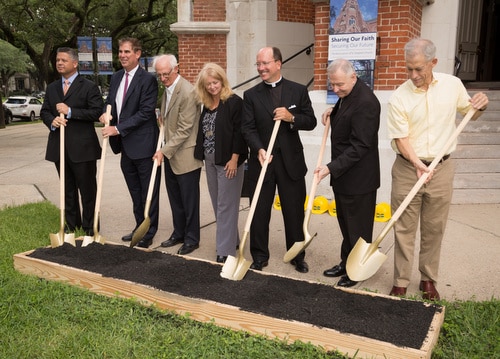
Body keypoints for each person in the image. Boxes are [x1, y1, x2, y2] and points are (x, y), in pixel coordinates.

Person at [387, 38, 489, 300]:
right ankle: (400, 280)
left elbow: (470, 111)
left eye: (419, 69)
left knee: (434, 227)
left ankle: (428, 279)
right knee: (403, 227)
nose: (413, 75)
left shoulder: (452, 85)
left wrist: (480, 104)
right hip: (409, 168)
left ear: (433, 62)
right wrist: (418, 164)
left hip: (441, 168)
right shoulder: (399, 96)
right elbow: (401, 138)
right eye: (408, 69)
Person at [241, 46, 317, 273]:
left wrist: (291, 117)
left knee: (294, 211)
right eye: (258, 64)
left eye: (265, 63)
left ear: (278, 63)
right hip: (262, 162)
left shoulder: (298, 91)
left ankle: (297, 255)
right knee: (259, 210)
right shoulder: (251, 95)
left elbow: (311, 121)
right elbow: (247, 128)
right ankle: (259, 255)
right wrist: (258, 149)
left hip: (291, 163)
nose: (261, 68)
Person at [316, 59, 381, 287]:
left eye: (339, 84)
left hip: (360, 179)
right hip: (345, 177)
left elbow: (360, 146)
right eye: (332, 85)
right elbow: (347, 116)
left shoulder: (366, 103)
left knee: (358, 228)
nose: (335, 89)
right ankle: (347, 262)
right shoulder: (348, 96)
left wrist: (329, 168)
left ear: (353, 77)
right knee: (346, 225)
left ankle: (357, 270)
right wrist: (332, 113)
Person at [100, 37, 160, 248]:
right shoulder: (116, 77)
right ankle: (138, 227)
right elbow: (112, 104)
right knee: (135, 192)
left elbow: (145, 112)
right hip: (125, 146)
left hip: (144, 145)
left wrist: (117, 128)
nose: (122, 55)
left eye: (127, 52)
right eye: (120, 52)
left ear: (137, 54)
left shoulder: (148, 80)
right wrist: (105, 116)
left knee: (148, 192)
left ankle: (148, 231)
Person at [41, 47, 104, 236]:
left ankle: (90, 227)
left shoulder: (89, 87)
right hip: (59, 147)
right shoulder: (52, 88)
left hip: (83, 149)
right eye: (58, 60)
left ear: (75, 63)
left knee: (87, 191)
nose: (59, 63)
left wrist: (70, 112)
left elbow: (96, 111)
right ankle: (71, 224)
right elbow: (45, 111)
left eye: (63, 60)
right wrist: (52, 120)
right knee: (66, 189)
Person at [193, 63, 248, 263]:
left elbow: (240, 133)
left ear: (222, 80)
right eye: (208, 84)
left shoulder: (234, 102)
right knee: (219, 205)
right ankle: (232, 240)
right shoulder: (207, 105)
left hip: (228, 161)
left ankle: (225, 252)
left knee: (226, 205)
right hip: (210, 159)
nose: (212, 87)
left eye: (215, 82)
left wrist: (234, 159)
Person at [152, 54, 203, 256]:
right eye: (159, 75)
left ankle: (192, 239)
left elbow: (185, 129)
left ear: (177, 69)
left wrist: (163, 151)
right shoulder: (167, 90)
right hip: (172, 154)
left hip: (186, 156)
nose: (163, 78)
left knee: (189, 201)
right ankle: (179, 233)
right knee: (175, 199)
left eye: (166, 74)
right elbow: (170, 122)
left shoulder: (188, 92)